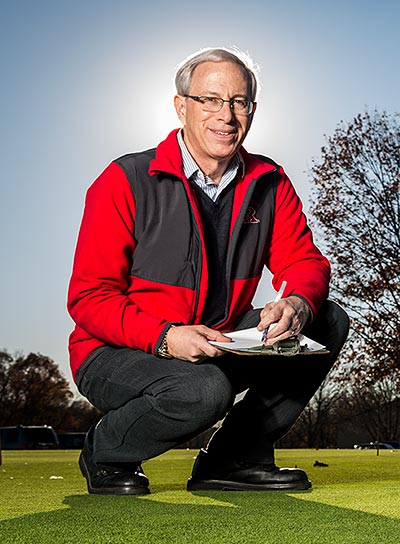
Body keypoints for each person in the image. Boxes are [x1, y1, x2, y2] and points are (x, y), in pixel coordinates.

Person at [67, 47, 349, 495]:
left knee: (326, 319)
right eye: (211, 100)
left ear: (252, 111)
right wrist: (165, 337)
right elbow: (88, 298)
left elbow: (304, 261)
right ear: (182, 106)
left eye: (239, 102)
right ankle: (105, 451)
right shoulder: (124, 179)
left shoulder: (269, 181)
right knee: (204, 391)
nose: (227, 115)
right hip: (116, 350)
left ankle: (233, 458)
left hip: (218, 339)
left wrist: (296, 301)